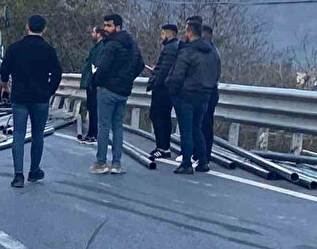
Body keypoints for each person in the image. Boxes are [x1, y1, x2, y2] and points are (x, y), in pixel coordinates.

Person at [0, 15, 63, 189]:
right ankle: (34, 171)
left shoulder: (15, 48)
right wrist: (49, 91)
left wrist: (5, 86)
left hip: (19, 97)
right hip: (40, 98)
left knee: (18, 134)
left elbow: (3, 71)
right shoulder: (48, 49)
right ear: (44, 29)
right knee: (37, 135)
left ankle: (18, 175)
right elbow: (57, 73)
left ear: (27, 26)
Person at [90, 14, 145, 175]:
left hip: (108, 90)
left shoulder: (112, 45)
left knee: (103, 126)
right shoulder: (132, 45)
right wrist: (127, 79)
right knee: (118, 127)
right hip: (123, 91)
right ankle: (117, 163)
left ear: (118, 27)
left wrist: (96, 81)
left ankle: (101, 163)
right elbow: (140, 64)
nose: (105, 28)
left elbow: (104, 67)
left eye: (109, 26)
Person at [165, 21, 221, 174]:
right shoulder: (212, 52)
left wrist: (171, 88)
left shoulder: (187, 51)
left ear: (189, 32)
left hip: (186, 95)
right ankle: (203, 162)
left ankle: (186, 163)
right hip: (204, 95)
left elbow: (178, 74)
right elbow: (216, 74)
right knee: (197, 128)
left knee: (186, 130)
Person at [146, 24, 179, 159]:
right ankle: (165, 147)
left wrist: (154, 81)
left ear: (168, 34)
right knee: (165, 117)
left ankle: (162, 147)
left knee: (158, 116)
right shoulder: (176, 46)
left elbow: (165, 70)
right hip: (169, 89)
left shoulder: (170, 49)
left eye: (162, 34)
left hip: (163, 89)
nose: (161, 37)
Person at [79, 26, 105, 143]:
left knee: (94, 109)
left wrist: (92, 80)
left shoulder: (100, 47)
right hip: (91, 82)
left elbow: (95, 65)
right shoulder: (96, 47)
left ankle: (93, 134)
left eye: (93, 32)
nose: (91, 34)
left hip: (94, 83)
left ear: (99, 34)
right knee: (91, 108)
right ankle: (91, 133)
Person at [202, 25, 221, 161]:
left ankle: (204, 156)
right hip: (209, 91)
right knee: (203, 124)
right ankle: (201, 155)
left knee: (205, 125)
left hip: (208, 92)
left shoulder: (210, 53)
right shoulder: (213, 51)